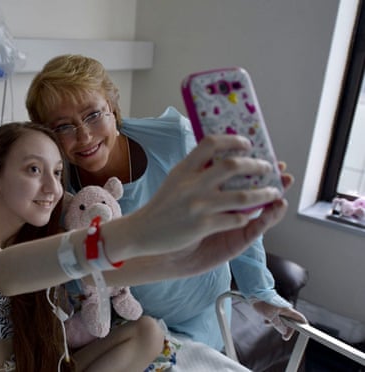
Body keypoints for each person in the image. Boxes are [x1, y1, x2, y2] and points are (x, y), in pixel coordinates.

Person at [0, 120, 289, 371]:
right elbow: (2, 272)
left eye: (56, 173)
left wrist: (189, 260)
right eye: (33, 170)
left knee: (148, 331)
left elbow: (110, 272)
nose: (52, 189)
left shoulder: (42, 242)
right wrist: (139, 229)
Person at [25, 54, 307, 351]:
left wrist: (260, 291)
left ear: (112, 107)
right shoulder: (55, 187)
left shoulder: (175, 141)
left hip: (200, 312)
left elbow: (236, 209)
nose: (83, 135)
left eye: (93, 115)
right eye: (63, 127)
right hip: (129, 325)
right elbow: (71, 270)